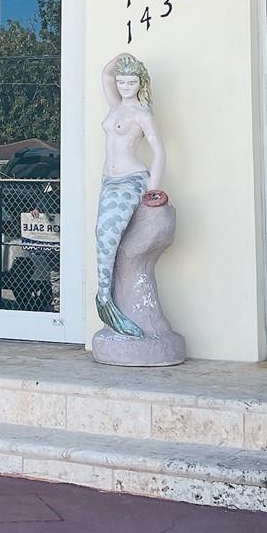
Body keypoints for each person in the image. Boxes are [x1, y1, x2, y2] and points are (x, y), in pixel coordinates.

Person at [94, 53, 165, 337]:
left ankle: (105, 299)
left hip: (129, 179)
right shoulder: (115, 106)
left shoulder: (142, 114)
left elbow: (159, 151)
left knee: (107, 236)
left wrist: (153, 189)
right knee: (101, 235)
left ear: (140, 83)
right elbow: (105, 76)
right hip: (107, 180)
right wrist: (118, 59)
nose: (124, 86)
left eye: (131, 81)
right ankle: (104, 299)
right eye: (122, 81)